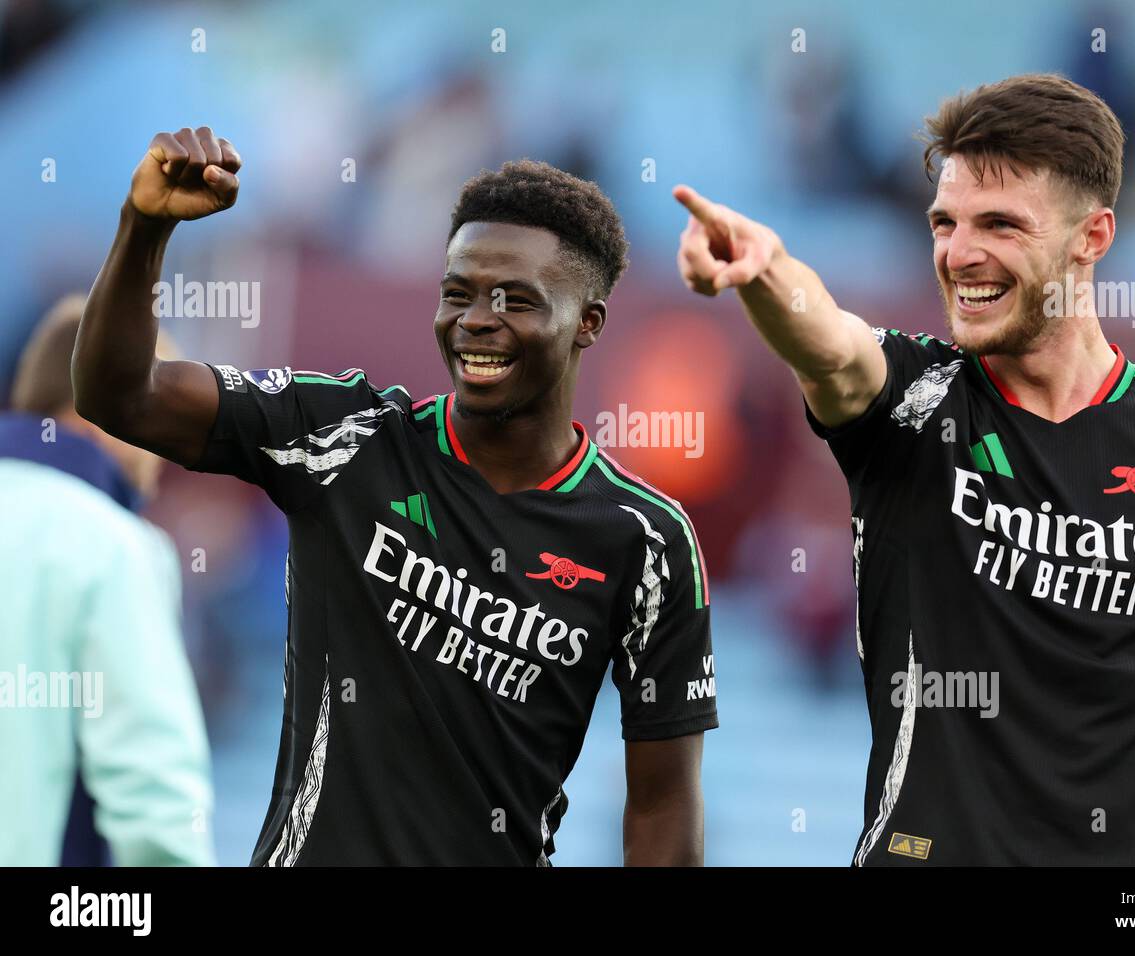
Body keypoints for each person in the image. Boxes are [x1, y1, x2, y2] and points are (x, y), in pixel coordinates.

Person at [674, 73, 1135, 866]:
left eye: (1000, 224)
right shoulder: (914, 399)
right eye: (945, 222)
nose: (959, 254)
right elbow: (830, 348)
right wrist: (765, 272)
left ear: (1092, 237)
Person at [74, 129, 717, 866]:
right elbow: (120, 395)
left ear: (588, 324)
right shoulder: (345, 435)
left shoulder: (646, 540)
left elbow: (665, 800)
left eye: (515, 299)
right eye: (459, 293)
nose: (477, 318)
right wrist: (146, 225)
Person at [0, 294, 215, 867]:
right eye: (163, 415)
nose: (169, 452)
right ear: (105, 404)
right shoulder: (111, 546)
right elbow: (152, 799)